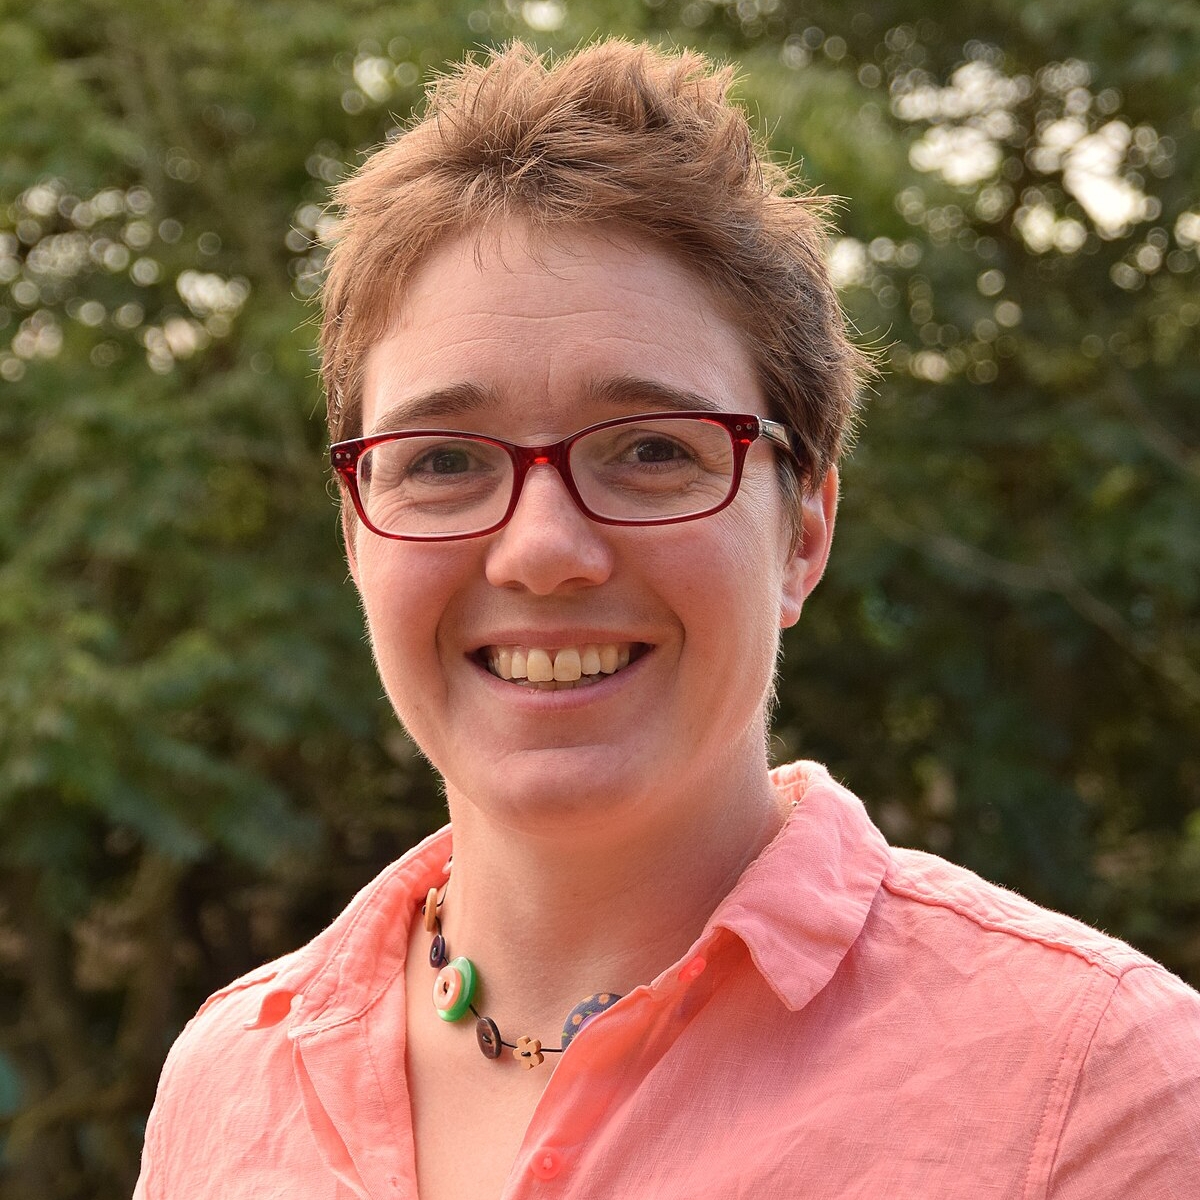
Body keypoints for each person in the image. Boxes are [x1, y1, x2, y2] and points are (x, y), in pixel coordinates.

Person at [134, 39, 1200, 1200]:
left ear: (803, 530)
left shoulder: (1097, 1088)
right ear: (357, 536)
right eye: (442, 460)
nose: (543, 550)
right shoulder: (228, 1085)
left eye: (651, 450)